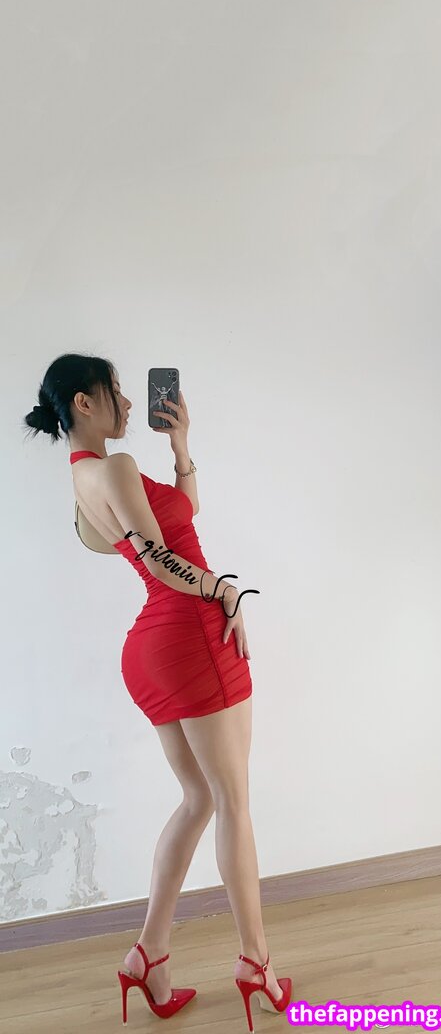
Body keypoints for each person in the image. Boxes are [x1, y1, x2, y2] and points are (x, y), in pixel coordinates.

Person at [23, 352, 291, 1029]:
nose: (126, 403)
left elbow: (180, 517)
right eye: (114, 391)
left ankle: (149, 955)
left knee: (200, 798)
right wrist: (223, 588)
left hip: (151, 649)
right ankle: (255, 963)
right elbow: (162, 558)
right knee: (232, 802)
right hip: (190, 635)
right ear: (83, 403)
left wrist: (180, 447)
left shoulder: (86, 479)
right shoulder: (114, 467)